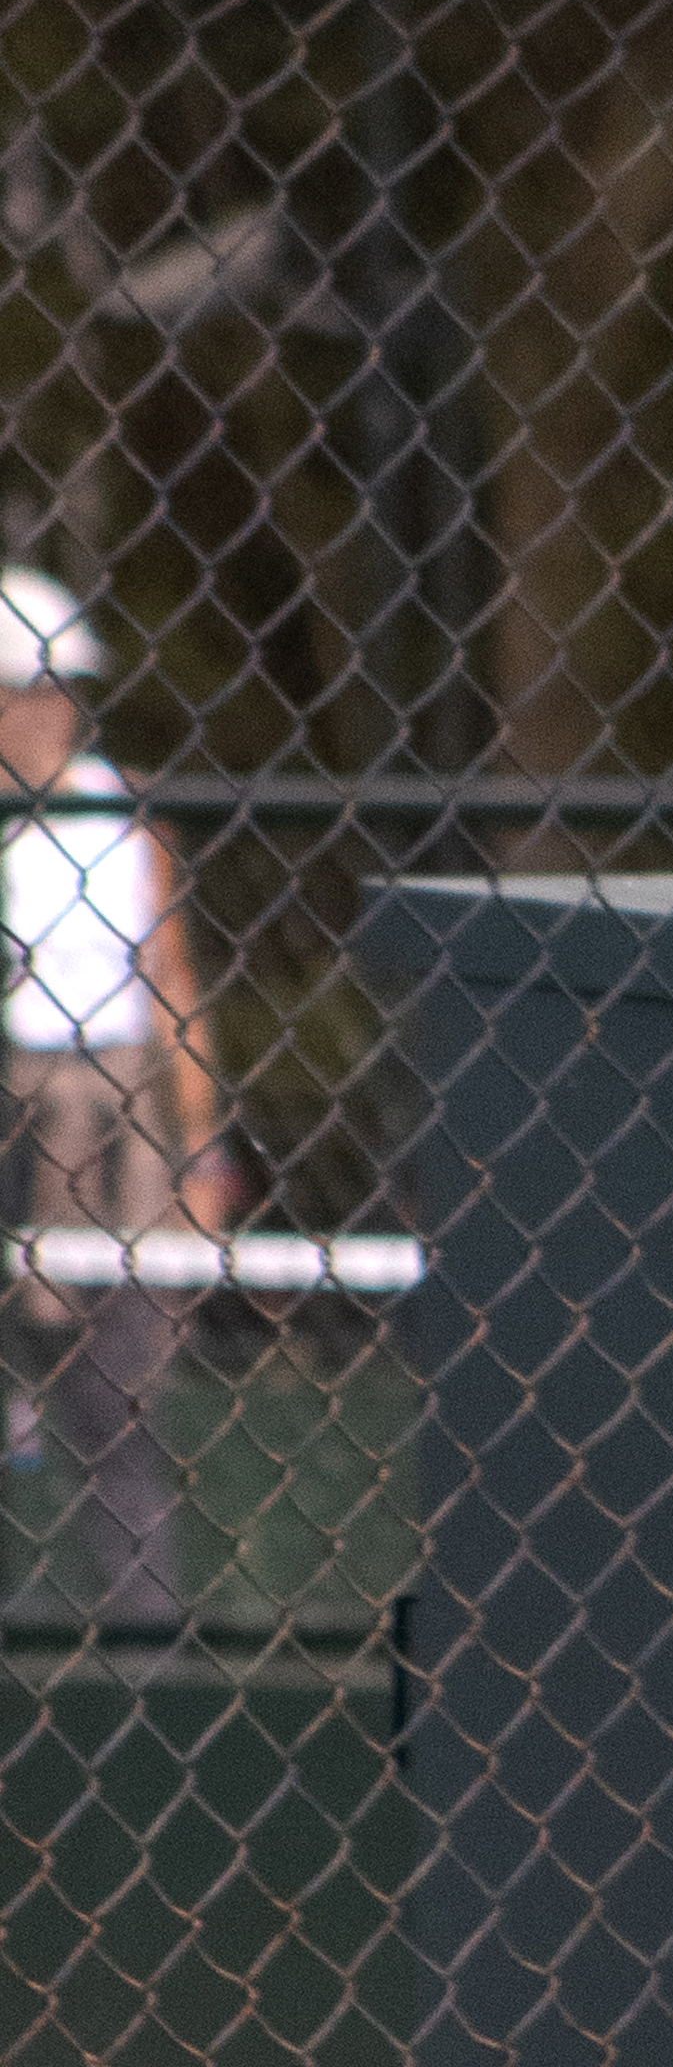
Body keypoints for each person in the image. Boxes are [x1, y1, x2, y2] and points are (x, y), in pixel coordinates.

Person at [0, 565, 229, 1638]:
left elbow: (172, 987)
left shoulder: (122, 813)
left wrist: (202, 1152)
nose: (42, 714)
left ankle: (148, 1651)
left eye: (56, 691)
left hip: (115, 1125)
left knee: (113, 1406)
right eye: (21, 692)